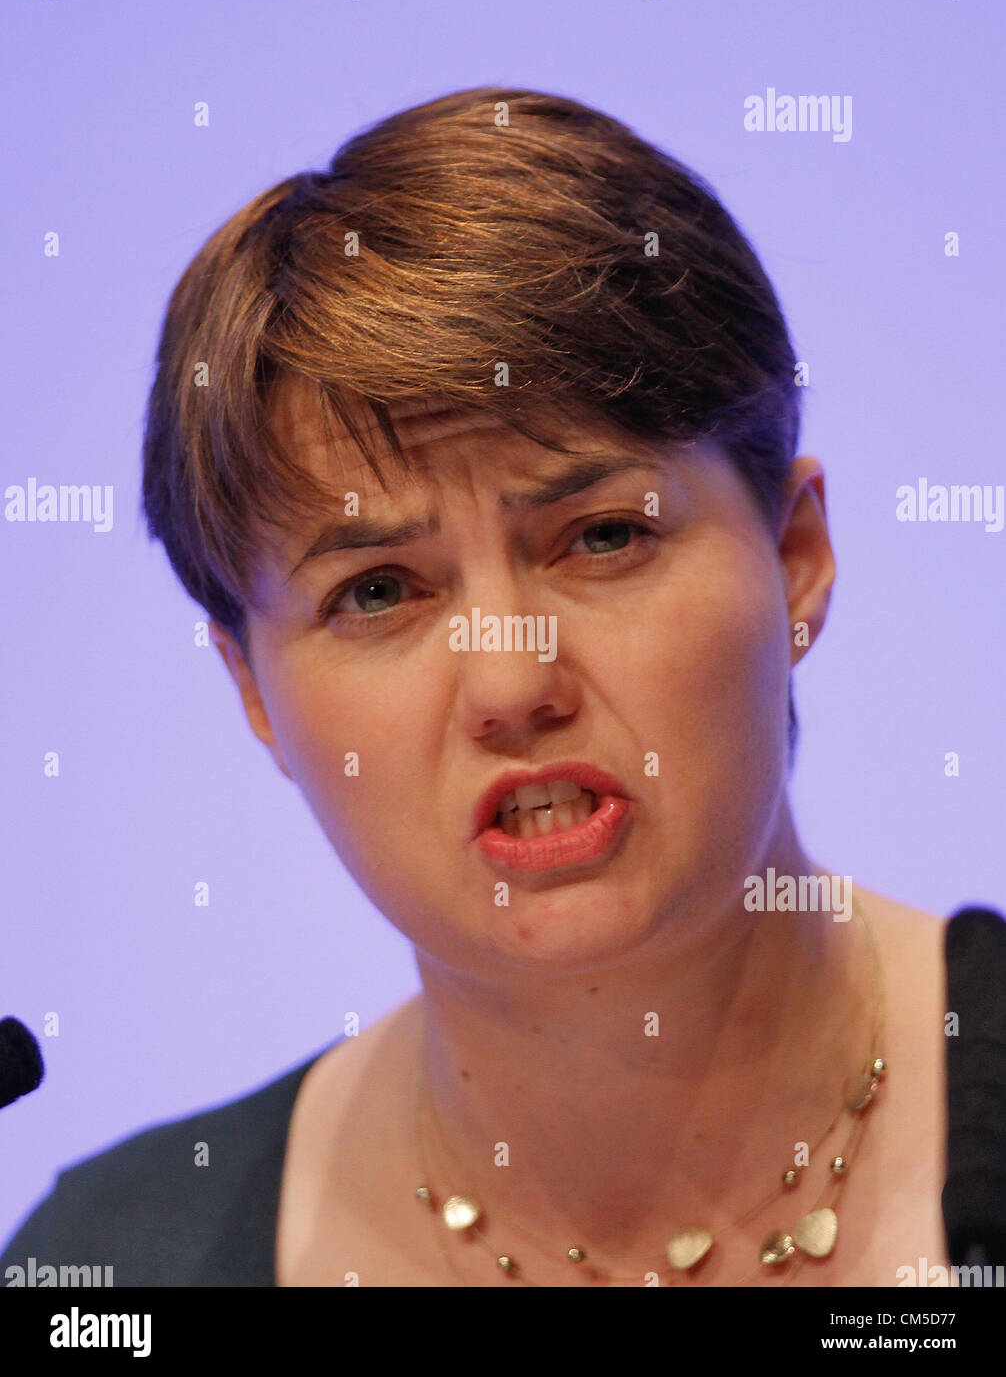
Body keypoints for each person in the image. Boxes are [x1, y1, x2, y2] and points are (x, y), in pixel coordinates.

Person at [3, 86, 955, 1288]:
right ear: (251, 690)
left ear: (795, 556)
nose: (511, 683)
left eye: (603, 537)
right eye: (379, 591)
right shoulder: (112, 1272)